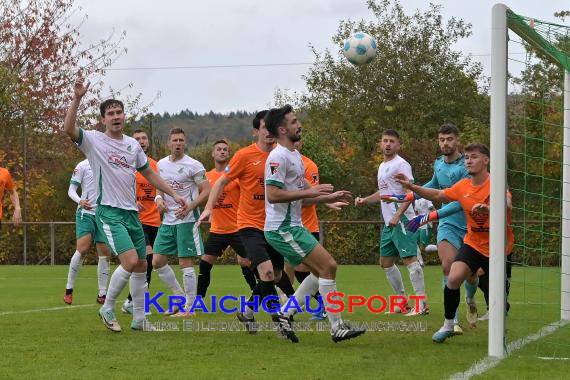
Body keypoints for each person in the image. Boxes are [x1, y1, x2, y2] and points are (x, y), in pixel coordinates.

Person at [64, 75, 186, 332]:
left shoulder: (132, 145)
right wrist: (76, 99)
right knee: (130, 262)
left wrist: (173, 194)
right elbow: (68, 129)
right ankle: (107, 307)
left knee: (142, 265)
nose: (116, 116)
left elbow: (150, 174)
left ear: (124, 116)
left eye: (119, 112)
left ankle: (140, 320)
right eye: (111, 113)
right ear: (103, 119)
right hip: (108, 212)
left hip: (132, 214)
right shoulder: (94, 140)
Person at [264, 104, 365, 343]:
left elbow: (302, 193)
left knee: (324, 270)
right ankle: (336, 327)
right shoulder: (277, 157)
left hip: (293, 226)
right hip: (282, 228)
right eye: (294, 121)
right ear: (282, 129)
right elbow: (273, 194)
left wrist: (326, 198)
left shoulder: (294, 156)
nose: (299, 125)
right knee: (328, 266)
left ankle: (285, 314)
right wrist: (314, 193)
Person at [394, 143, 514, 343]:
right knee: (452, 278)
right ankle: (449, 324)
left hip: (499, 248)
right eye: (466, 157)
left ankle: (499, 329)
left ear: (486, 160)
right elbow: (439, 195)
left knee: (497, 295)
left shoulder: (497, 182)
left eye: (473, 157)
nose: (468, 160)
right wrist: (412, 187)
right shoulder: (463, 186)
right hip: (474, 244)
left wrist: (490, 209)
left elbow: (507, 202)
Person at [197, 110, 296, 333]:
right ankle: (279, 321)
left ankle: (247, 311)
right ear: (256, 132)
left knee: (276, 275)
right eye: (265, 128)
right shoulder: (244, 156)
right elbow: (222, 182)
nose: (269, 132)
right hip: (249, 225)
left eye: (273, 128)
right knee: (267, 272)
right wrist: (208, 208)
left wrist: (320, 197)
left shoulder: (282, 155)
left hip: (273, 224)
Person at [393, 124, 480, 331]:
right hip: (448, 224)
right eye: (441, 139)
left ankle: (469, 298)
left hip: (470, 224)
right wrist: (404, 195)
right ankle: (454, 321)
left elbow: (461, 201)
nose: (445, 143)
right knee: (448, 266)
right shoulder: (439, 164)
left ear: (457, 140)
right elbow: (432, 185)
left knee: (471, 274)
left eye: (449, 139)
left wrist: (430, 216)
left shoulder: (466, 166)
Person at [355, 129, 428, 316]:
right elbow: (383, 193)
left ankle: (422, 304)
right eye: (385, 140)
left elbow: (409, 193)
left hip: (402, 219)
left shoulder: (401, 164)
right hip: (389, 222)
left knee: (409, 260)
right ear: (380, 143)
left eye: (392, 141)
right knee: (385, 262)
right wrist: (365, 200)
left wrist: (397, 215)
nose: (387, 144)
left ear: (398, 145)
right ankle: (402, 303)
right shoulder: (382, 166)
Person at [152, 128, 210, 317]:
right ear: (169, 143)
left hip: (186, 220)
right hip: (167, 221)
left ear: (185, 143)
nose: (178, 143)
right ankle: (179, 298)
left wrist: (191, 206)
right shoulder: (160, 164)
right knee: (157, 261)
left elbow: (206, 190)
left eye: (181, 140)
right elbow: (159, 189)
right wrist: (158, 200)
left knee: (185, 262)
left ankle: (190, 309)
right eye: (175, 140)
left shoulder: (194, 165)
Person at [196, 140, 257, 298]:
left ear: (228, 153)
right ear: (213, 153)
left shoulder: (235, 176)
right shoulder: (207, 177)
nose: (222, 151)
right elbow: (199, 197)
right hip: (217, 230)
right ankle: (199, 300)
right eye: (218, 149)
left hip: (237, 229)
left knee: (249, 263)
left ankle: (258, 293)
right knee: (205, 263)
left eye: (225, 149)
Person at [121, 129, 162, 315]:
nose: (141, 141)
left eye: (144, 138)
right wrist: (131, 200)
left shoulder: (154, 165)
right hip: (136, 221)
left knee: (146, 263)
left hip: (155, 221)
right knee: (146, 258)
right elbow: (120, 187)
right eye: (137, 139)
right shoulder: (128, 165)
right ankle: (138, 303)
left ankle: (132, 301)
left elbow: (159, 187)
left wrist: (162, 199)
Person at [63, 159, 111, 305]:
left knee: (105, 253)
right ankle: (69, 290)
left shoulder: (107, 163)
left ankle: (102, 294)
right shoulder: (82, 165)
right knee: (82, 249)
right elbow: (71, 190)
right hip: (86, 212)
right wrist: (80, 201)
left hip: (103, 214)